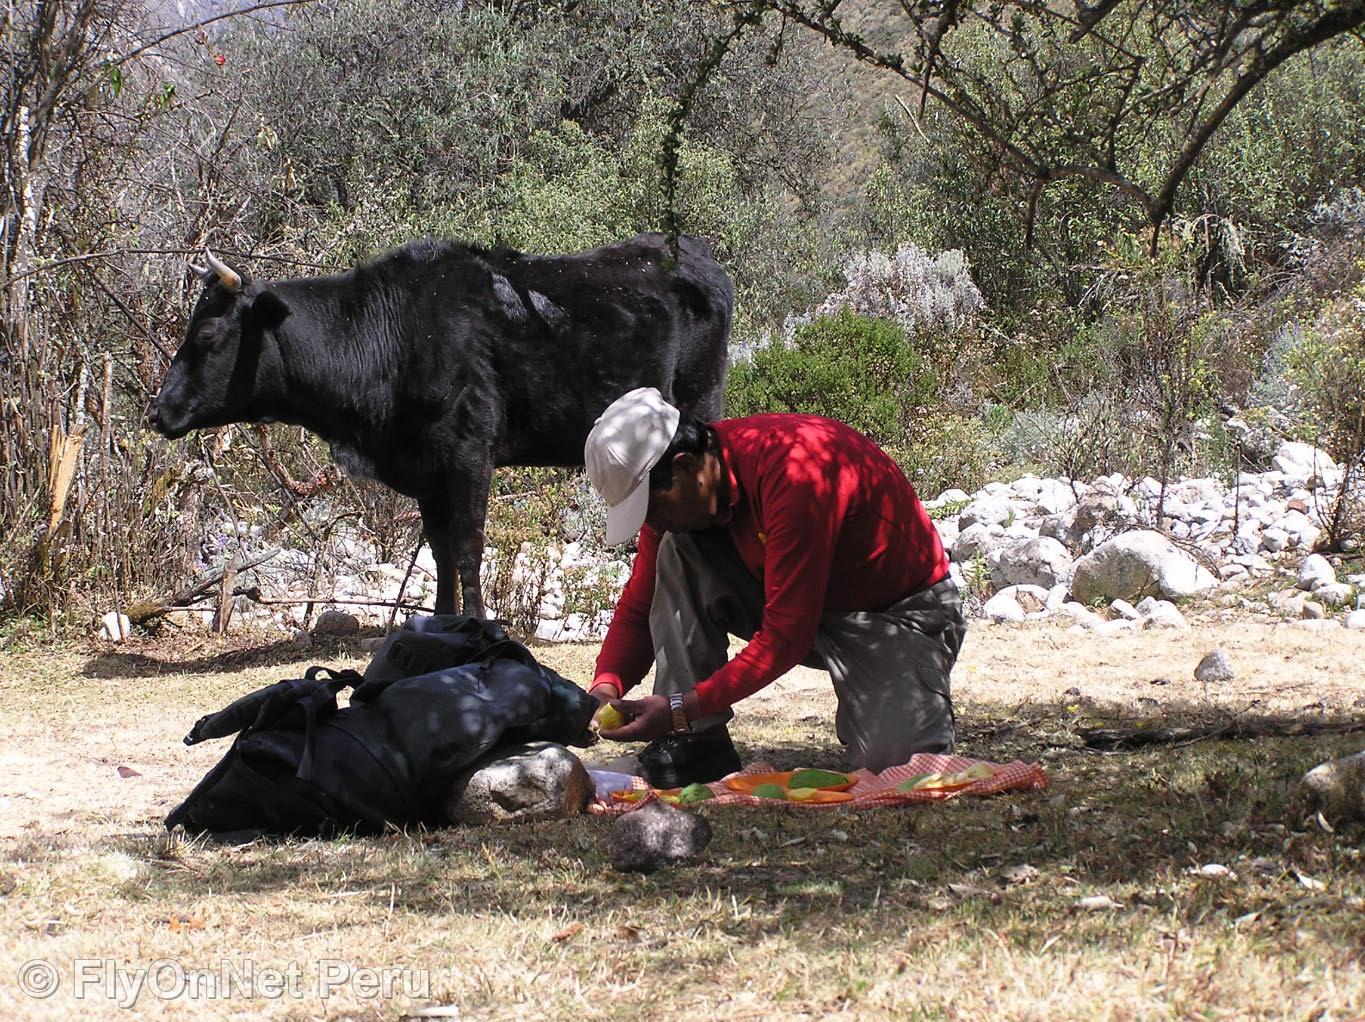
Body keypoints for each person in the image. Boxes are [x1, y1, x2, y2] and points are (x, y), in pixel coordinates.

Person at [582, 387, 966, 788]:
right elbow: (640, 606)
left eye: (652, 510)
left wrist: (679, 708)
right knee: (678, 550)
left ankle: (686, 723)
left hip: (892, 614)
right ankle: (694, 745)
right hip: (799, 608)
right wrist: (605, 688)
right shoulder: (679, 505)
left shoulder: (794, 469)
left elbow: (786, 636)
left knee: (902, 773)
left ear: (685, 466)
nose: (653, 525)